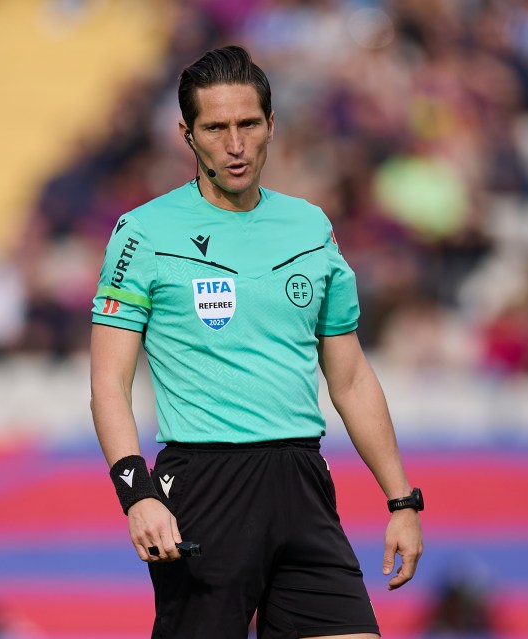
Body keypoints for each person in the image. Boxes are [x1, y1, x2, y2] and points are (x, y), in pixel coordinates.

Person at [90, 45, 423, 639]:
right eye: (215, 128)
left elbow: (348, 378)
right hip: (203, 485)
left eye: (247, 124)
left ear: (272, 125)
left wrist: (401, 501)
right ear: (187, 135)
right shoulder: (142, 233)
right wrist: (136, 494)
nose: (235, 143)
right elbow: (108, 384)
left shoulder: (310, 227)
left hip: (302, 481)